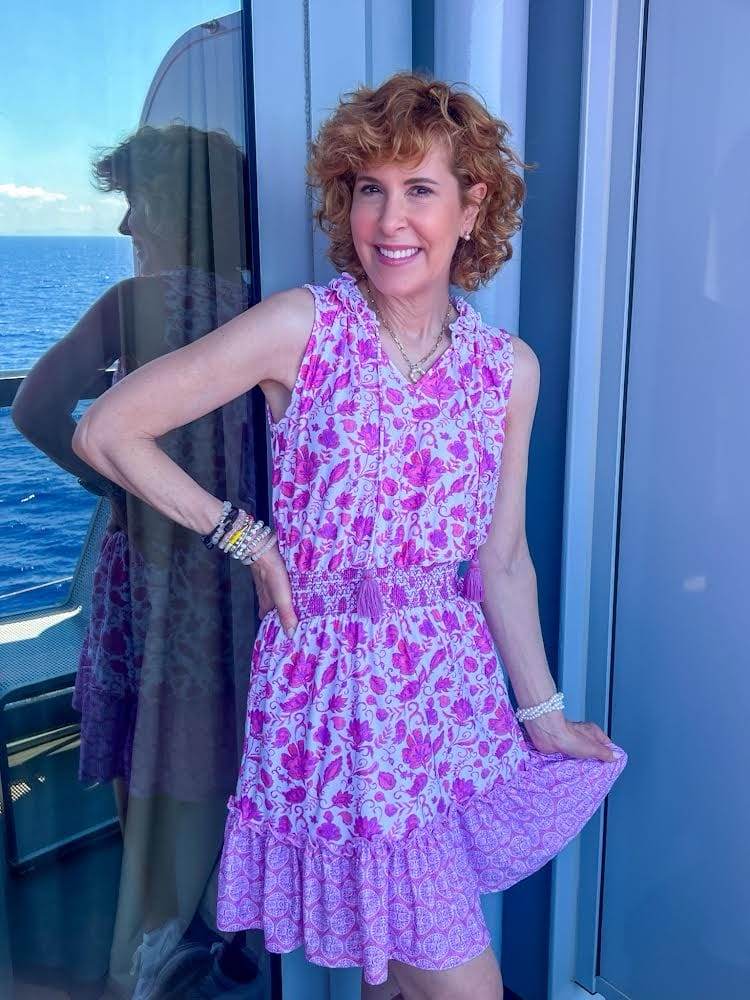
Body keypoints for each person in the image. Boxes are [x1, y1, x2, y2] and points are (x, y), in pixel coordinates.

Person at [71, 73, 628, 1000]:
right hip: (341, 709)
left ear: (471, 203)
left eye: (419, 189)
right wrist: (246, 539)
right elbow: (105, 429)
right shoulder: (304, 327)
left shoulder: (507, 371)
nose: (390, 219)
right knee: (459, 986)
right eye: (369, 188)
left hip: (449, 700)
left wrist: (543, 716)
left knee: (390, 974)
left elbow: (502, 560)